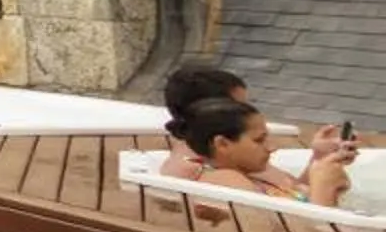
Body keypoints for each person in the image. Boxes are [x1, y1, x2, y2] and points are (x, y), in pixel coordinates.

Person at [152, 64, 356, 184]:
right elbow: (301, 223)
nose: (247, 112)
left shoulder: (232, 156)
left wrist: (320, 159)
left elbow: (295, 193)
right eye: (239, 106)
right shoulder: (209, 172)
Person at [165, 97, 357, 208]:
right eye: (259, 140)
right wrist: (323, 187)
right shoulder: (225, 180)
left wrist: (320, 159)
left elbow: (298, 198)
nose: (272, 147)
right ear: (223, 144)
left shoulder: (248, 173)